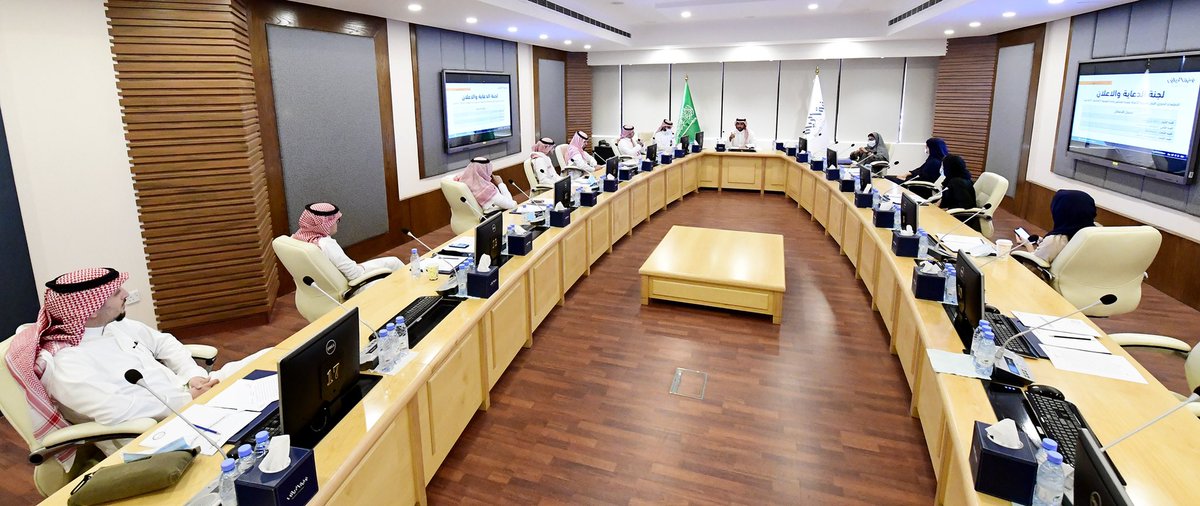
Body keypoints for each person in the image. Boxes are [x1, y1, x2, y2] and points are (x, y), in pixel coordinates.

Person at [5, 268, 269, 467]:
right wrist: (187, 398)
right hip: (160, 429)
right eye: (115, 293)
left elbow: (164, 343)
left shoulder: (112, 325)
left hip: (190, 396)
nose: (125, 294)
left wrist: (194, 376)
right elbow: (118, 410)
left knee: (271, 359)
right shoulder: (66, 363)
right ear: (91, 309)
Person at [293, 203, 404, 280]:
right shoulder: (326, 244)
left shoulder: (296, 238)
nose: (337, 224)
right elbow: (354, 274)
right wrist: (359, 267)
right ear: (326, 224)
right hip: (353, 285)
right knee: (394, 262)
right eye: (336, 220)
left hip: (323, 287)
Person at [1022, 189, 1097, 263]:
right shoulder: (1096, 234)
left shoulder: (1056, 241)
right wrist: (1042, 241)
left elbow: (1033, 264)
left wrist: (1028, 245)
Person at [938, 155, 979, 231]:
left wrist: (946, 209)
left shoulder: (957, 182)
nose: (942, 168)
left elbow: (966, 205)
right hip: (950, 214)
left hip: (959, 219)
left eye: (943, 166)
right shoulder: (955, 178)